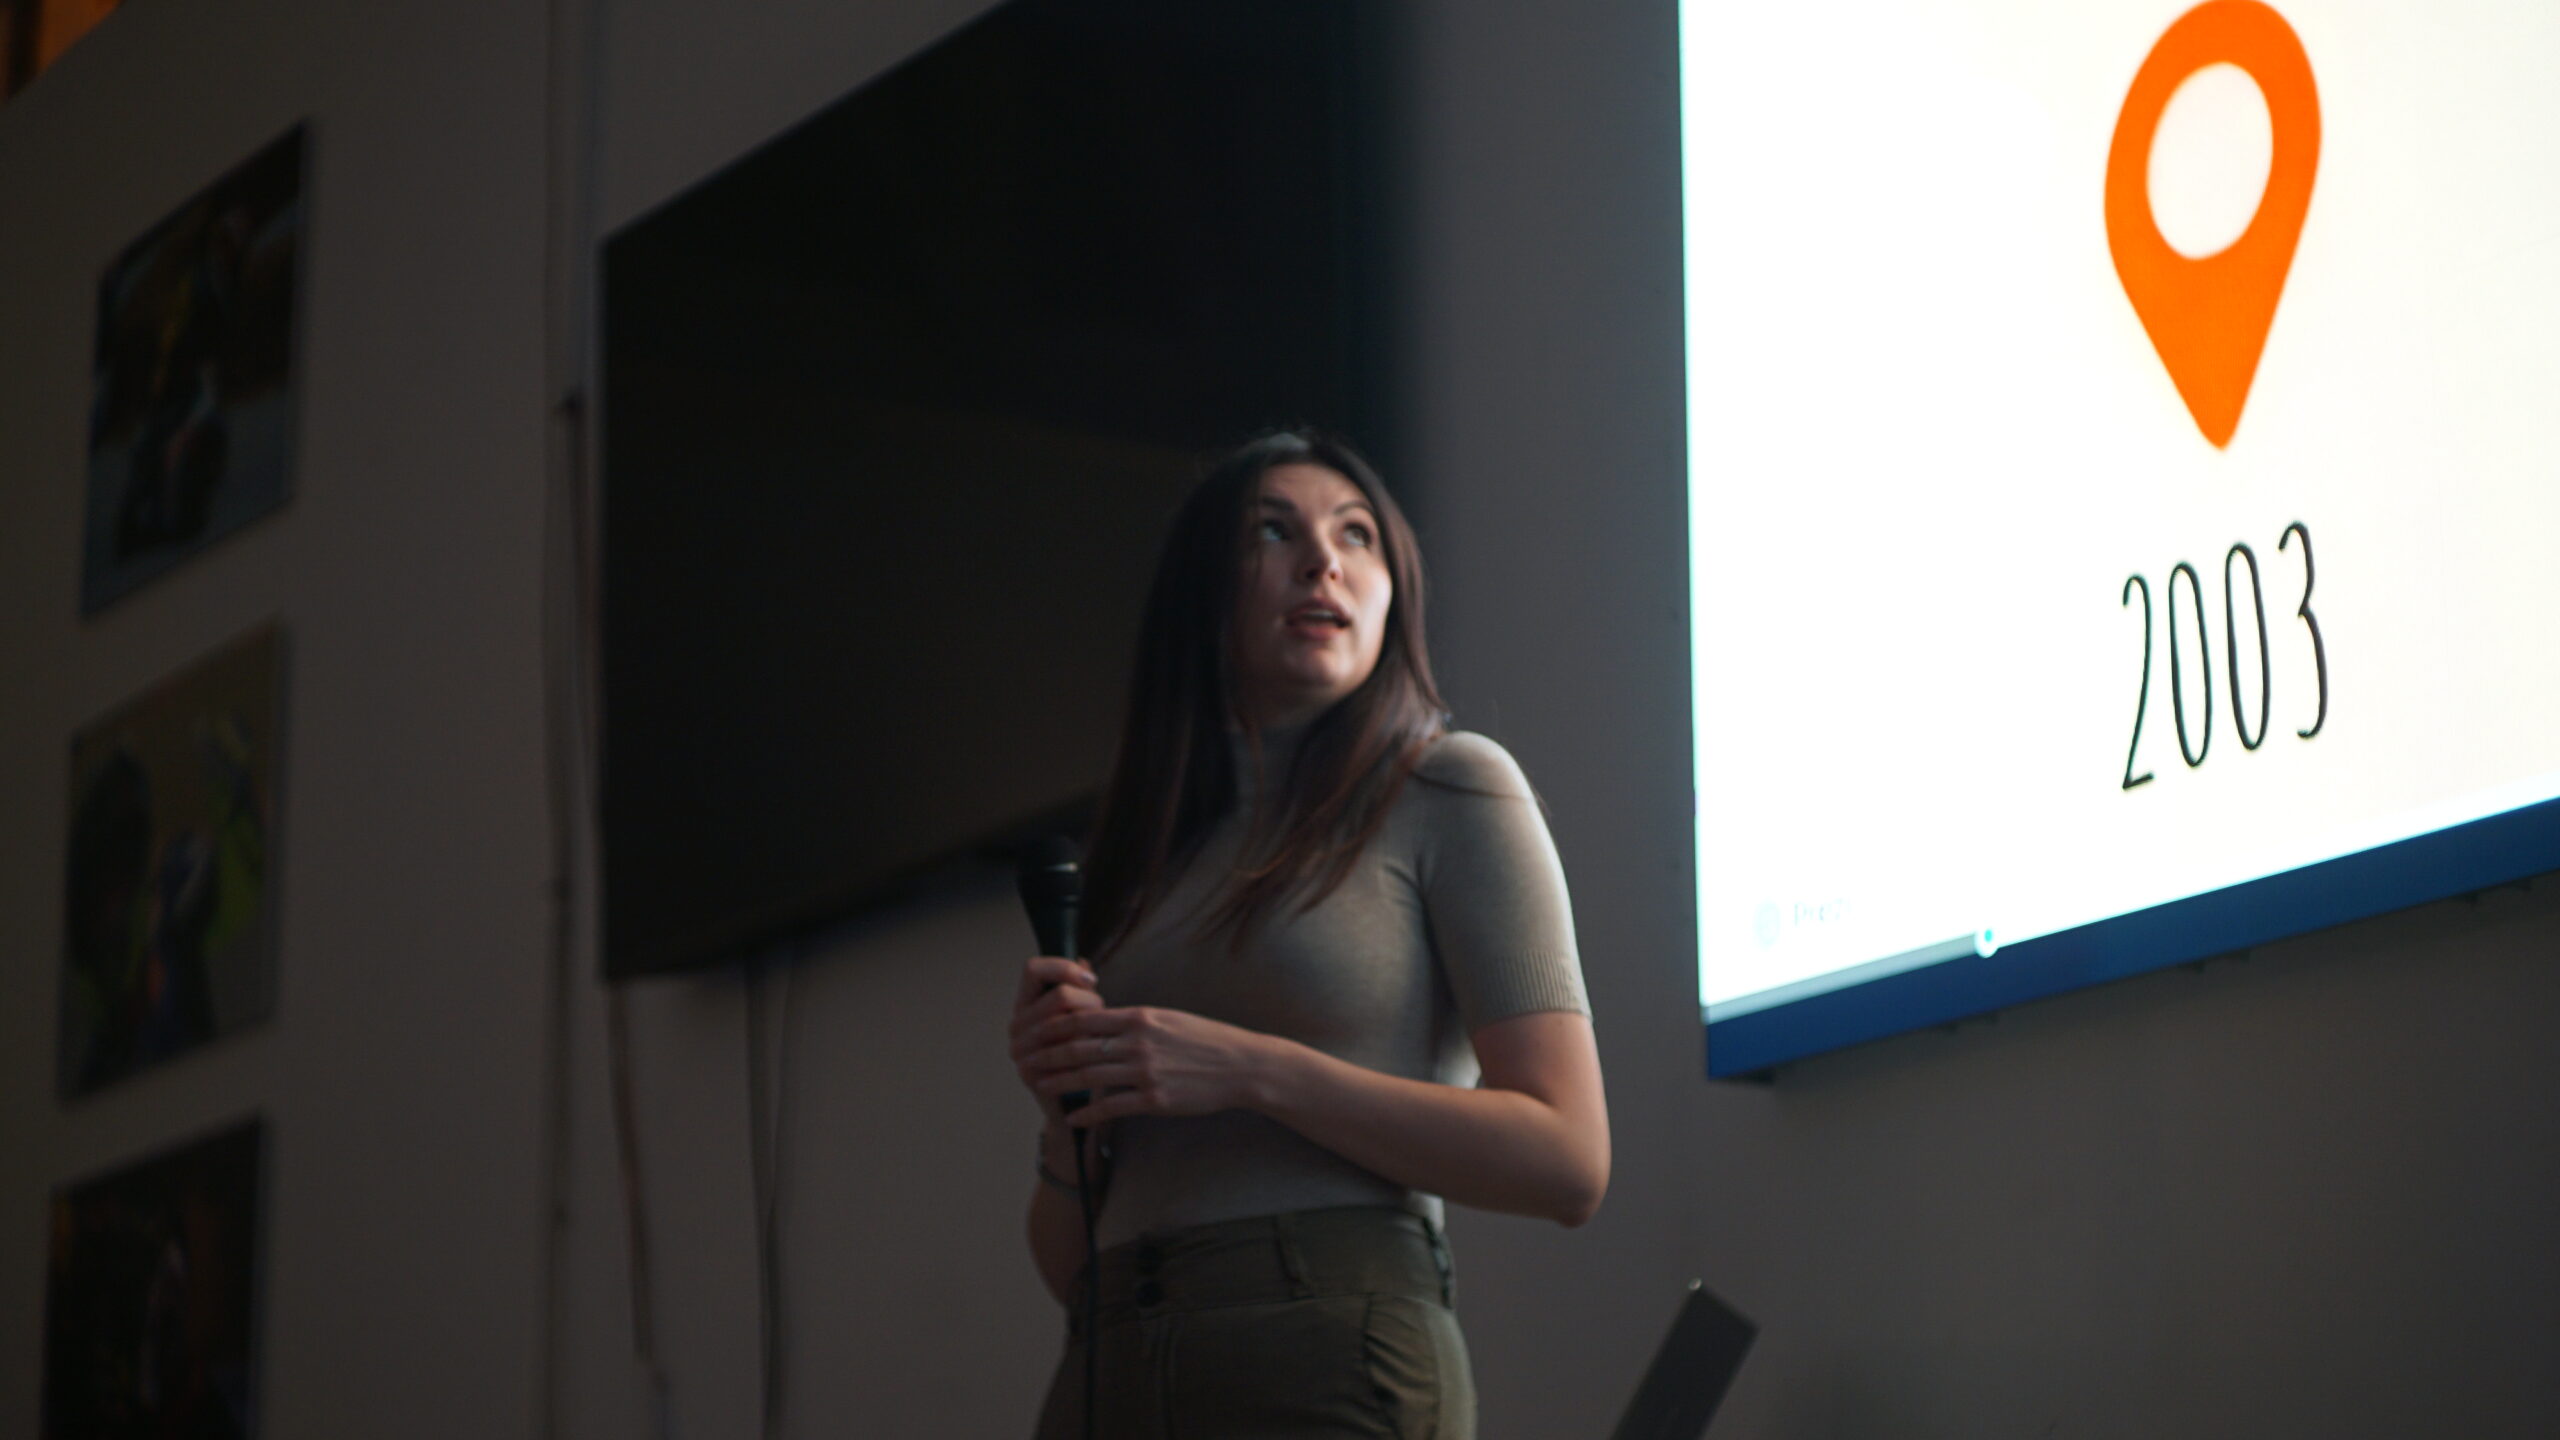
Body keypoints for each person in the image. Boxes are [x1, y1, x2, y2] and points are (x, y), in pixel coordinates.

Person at [1007, 430, 1608, 1438]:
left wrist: (1252, 1071)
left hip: (1327, 1351)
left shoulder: (1450, 787)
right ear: (1201, 591)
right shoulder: (1136, 860)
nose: (1323, 561)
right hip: (1109, 1363)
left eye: (1356, 534)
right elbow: (1069, 1265)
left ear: (1393, 592)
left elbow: (1568, 1161)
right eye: (1273, 532)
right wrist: (1056, 1116)